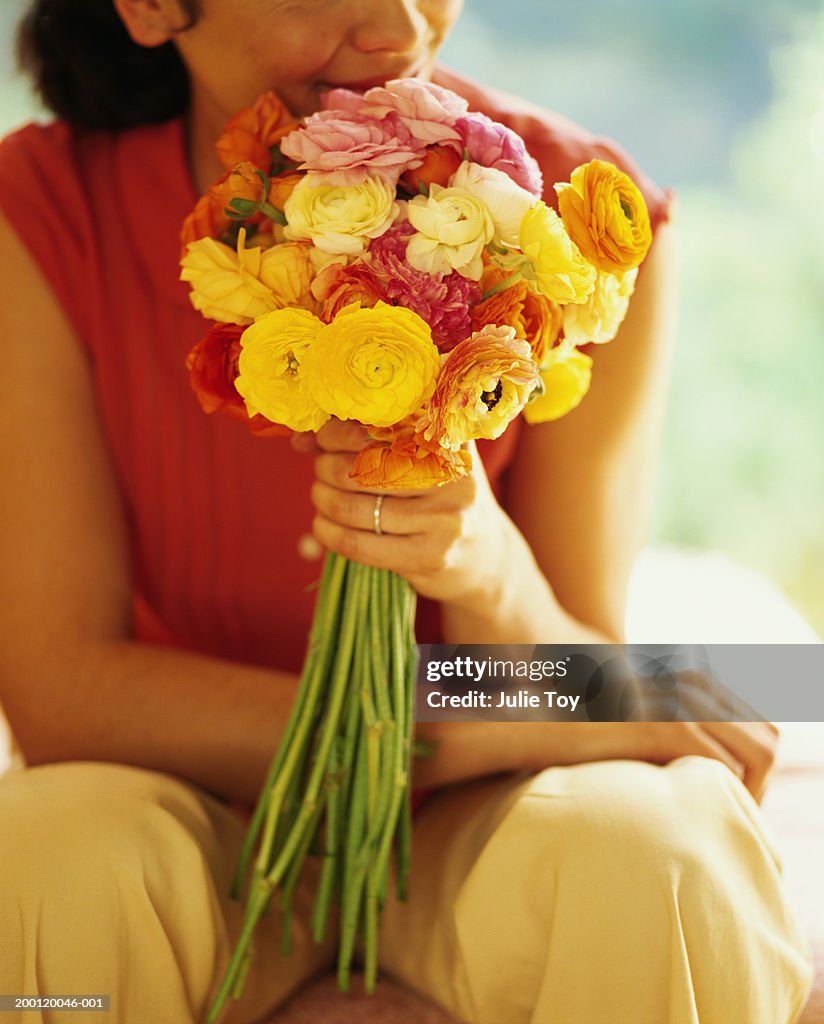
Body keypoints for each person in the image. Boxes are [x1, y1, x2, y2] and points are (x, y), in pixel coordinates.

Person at [0, 1, 813, 1022]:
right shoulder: (39, 212)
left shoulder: (577, 219)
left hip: (478, 829)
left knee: (658, 853)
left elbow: (571, 658)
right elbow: (64, 692)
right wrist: (480, 723)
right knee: (38, 862)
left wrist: (482, 564)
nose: (398, 33)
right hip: (185, 813)